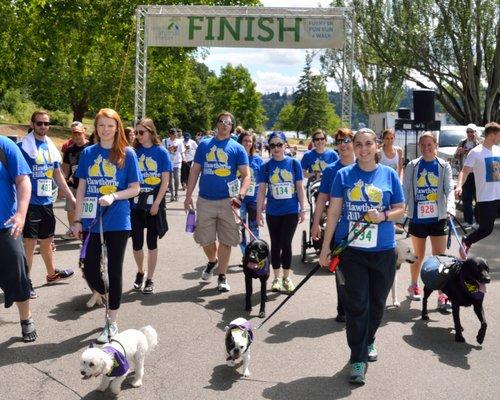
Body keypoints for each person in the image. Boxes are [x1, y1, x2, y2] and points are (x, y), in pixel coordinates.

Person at [319, 128, 405, 384]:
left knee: (377, 305)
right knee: (357, 305)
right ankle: (358, 359)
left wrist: (384, 216)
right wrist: (326, 247)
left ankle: (369, 340)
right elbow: (333, 213)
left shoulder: (389, 175)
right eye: (359, 144)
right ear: (353, 147)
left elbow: (401, 208)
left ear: (377, 146)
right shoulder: (343, 175)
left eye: (369, 144)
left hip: (383, 250)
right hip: (351, 252)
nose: (364, 149)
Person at [71, 108, 141, 343]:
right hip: (91, 219)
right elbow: (81, 187)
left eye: (110, 125)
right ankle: (105, 292)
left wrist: (114, 196)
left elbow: (135, 188)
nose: (105, 129)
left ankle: (111, 322)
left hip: (118, 220)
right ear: (96, 128)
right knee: (89, 268)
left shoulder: (127, 154)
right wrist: (77, 219)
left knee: (115, 269)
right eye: (101, 125)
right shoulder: (88, 153)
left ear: (117, 127)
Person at [184, 111, 250, 292]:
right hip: (205, 200)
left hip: (229, 201)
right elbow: (195, 171)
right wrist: (188, 195)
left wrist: (241, 196)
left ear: (232, 126)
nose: (224, 125)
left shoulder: (237, 148)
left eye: (228, 122)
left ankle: (222, 276)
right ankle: (212, 261)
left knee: (226, 240)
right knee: (205, 239)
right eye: (221, 121)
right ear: (216, 124)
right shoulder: (204, 145)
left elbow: (246, 176)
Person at [19, 111, 77, 299]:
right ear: (32, 123)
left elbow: (57, 173)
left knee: (47, 241)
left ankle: (52, 274)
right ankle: (25, 281)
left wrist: (70, 196)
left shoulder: (49, 145)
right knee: (29, 243)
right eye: (39, 123)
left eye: (46, 123)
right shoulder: (23, 147)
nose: (43, 126)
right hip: (30, 203)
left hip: (46, 201)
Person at [311, 128, 355, 322]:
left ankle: (359, 307)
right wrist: (315, 224)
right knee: (342, 269)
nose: (343, 144)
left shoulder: (366, 165)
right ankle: (343, 308)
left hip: (363, 227)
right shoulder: (331, 170)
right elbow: (321, 198)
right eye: (339, 141)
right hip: (338, 225)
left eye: (347, 140)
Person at [256, 131, 305, 293]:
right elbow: (262, 191)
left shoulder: (293, 164)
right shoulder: (266, 166)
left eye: (279, 144)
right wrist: (258, 212)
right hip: (272, 211)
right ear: (269, 148)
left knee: (286, 243)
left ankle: (287, 277)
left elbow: (299, 187)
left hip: (290, 210)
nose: (276, 148)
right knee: (275, 244)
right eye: (272, 145)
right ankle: (276, 278)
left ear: (285, 145)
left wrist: (302, 208)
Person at [0, 135, 37, 342]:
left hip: (6, 225)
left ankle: (26, 317)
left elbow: (23, 180)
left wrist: (21, 214)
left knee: (18, 275)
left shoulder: (4, 145)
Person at [130, 118, 172, 294]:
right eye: (136, 132)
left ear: (151, 132)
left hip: (154, 202)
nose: (138, 136)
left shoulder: (161, 152)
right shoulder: (133, 152)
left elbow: (165, 181)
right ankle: (140, 271)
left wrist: (156, 203)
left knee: (151, 243)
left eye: (142, 132)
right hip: (135, 202)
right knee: (136, 243)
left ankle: (150, 279)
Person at [456, 122, 500, 259]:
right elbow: (464, 171)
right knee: (486, 229)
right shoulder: (475, 152)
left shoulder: (498, 150)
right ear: (492, 135)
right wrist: (458, 186)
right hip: (486, 197)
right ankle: (467, 241)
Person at [61, 122, 90, 239]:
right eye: (74, 134)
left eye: (79, 133)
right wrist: (63, 186)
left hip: (88, 185)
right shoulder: (69, 150)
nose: (77, 136)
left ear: (84, 132)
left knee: (87, 210)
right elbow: (65, 170)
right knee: (71, 208)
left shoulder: (91, 147)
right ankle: (73, 229)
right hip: (73, 184)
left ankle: (87, 231)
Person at [237, 130, 264, 255]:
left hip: (254, 198)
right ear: (240, 142)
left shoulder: (258, 159)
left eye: (250, 141)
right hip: (239, 199)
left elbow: (263, 181)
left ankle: (254, 254)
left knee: (254, 228)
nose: (248, 143)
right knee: (240, 228)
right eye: (245, 141)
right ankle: (245, 255)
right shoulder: (235, 158)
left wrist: (264, 199)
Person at [454, 123, 481, 227]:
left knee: (478, 197)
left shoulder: (480, 143)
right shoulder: (462, 142)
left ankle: (478, 221)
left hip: (477, 173)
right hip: (465, 173)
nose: (470, 134)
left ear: (475, 132)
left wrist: (468, 151)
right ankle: (468, 220)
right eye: (468, 132)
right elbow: (455, 157)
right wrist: (458, 152)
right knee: (466, 198)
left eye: (472, 131)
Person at [163, 128, 185, 202]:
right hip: (168, 163)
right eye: (172, 134)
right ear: (170, 134)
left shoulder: (179, 142)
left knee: (176, 178)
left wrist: (184, 158)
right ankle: (172, 195)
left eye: (175, 134)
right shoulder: (165, 141)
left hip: (177, 162)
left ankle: (176, 193)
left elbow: (182, 152)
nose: (174, 135)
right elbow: (163, 152)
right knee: (170, 180)